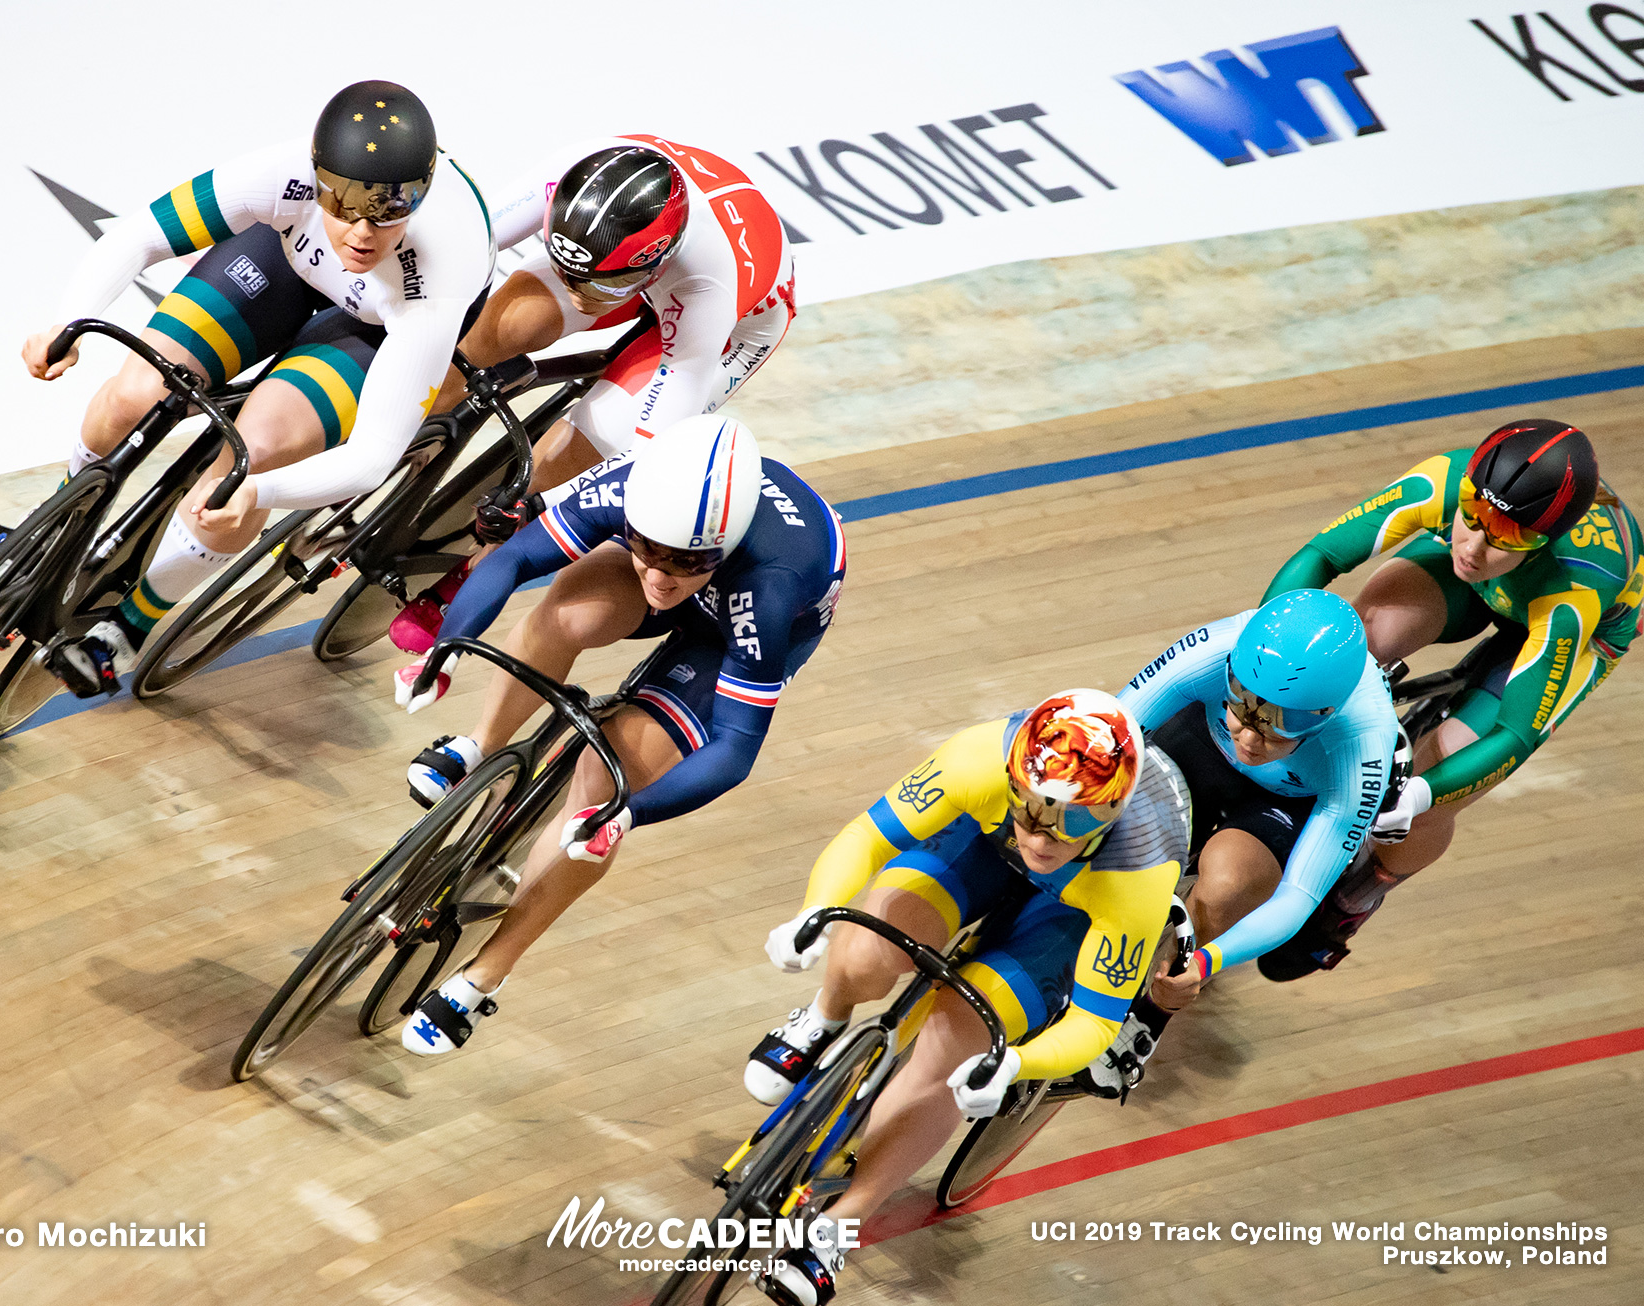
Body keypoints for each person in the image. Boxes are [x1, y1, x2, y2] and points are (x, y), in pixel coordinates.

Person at [18, 81, 495, 696]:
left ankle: (127, 627)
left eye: (387, 214)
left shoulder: (441, 269)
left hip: (379, 324)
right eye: (342, 204)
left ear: (420, 200)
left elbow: (374, 457)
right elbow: (141, 235)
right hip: (285, 261)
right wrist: (69, 320)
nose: (361, 232)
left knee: (249, 461)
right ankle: (54, 523)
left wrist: (262, 492)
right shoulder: (281, 173)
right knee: (136, 390)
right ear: (316, 175)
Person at [391, 414, 845, 1058]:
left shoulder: (772, 585)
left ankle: (484, 974)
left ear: (721, 544)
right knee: (565, 611)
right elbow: (518, 557)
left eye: (685, 561)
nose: (660, 576)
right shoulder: (635, 489)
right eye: (647, 547)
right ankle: (479, 746)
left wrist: (626, 815)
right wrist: (444, 652)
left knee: (604, 784)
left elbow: (735, 749)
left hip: (733, 628)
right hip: (707, 570)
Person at [740, 690, 1188, 1304]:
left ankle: (834, 1230)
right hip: (981, 846)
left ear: (1110, 813)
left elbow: (1095, 1022)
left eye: (1076, 819)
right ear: (1013, 779)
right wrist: (812, 913)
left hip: (1077, 908)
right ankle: (824, 1017)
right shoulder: (976, 761)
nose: (1045, 833)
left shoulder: (1139, 873)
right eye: (1032, 808)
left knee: (957, 1047)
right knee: (867, 950)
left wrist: (1017, 1063)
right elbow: (865, 838)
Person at [1254, 418, 1644, 975]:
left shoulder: (1574, 590)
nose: (1477, 543)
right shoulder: (1444, 480)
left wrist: (1417, 797)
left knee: (1445, 769)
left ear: (1544, 539)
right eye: (1472, 515)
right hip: (1489, 588)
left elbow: (1516, 733)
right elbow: (1322, 558)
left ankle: (1360, 893)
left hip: (1568, 625)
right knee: (1363, 634)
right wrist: (1264, 649)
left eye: (1505, 534)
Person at [384, 134, 796, 653]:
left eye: (593, 290)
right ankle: (380, 433)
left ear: (651, 266)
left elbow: (640, 452)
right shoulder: (573, 178)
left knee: (577, 448)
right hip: (614, 261)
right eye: (566, 272)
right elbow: (468, 238)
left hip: (736, 326)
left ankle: (468, 573)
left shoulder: (707, 289)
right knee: (491, 331)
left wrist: (541, 504)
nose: (580, 296)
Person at [1081, 590, 1399, 1094]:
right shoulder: (1218, 647)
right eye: (1243, 710)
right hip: (1200, 747)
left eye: (1276, 731)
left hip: (1291, 801)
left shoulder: (1363, 741)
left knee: (1228, 884)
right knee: (1108, 812)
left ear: (1325, 716)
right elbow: (1110, 733)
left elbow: (1298, 895)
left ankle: (1151, 1015)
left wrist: (1205, 963)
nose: (1250, 739)